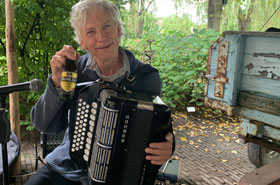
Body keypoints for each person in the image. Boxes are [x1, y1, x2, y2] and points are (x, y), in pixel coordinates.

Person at [25, 0, 174, 185]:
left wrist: (169, 146)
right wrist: (56, 82)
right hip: (68, 168)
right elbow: (44, 124)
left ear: (118, 30)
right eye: (90, 32)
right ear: (82, 42)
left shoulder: (145, 77)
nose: (101, 37)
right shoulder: (74, 72)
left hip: (120, 174)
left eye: (106, 27)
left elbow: (161, 128)